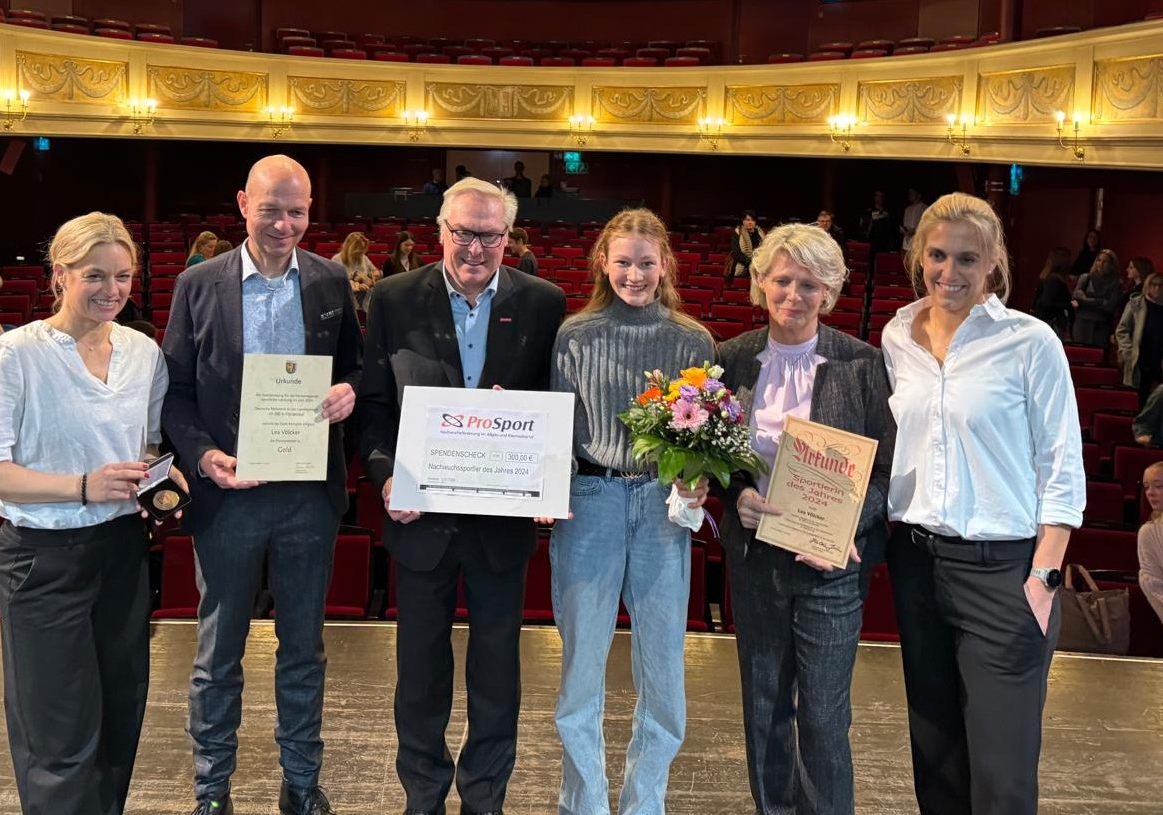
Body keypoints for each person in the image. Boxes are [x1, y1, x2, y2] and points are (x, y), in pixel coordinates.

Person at [0, 211, 175, 815]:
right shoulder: (13, 355)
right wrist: (82, 487)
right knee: (57, 734)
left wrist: (158, 473)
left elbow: (145, 444)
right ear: (60, 275)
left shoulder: (143, 352)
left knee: (119, 718)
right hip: (42, 561)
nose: (111, 290)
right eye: (94, 275)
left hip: (122, 552)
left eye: (122, 276)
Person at [356, 177, 565, 815]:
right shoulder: (394, 297)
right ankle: (422, 798)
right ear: (441, 230)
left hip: (501, 526)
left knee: (497, 676)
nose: (476, 248)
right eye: (464, 233)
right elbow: (374, 406)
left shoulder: (544, 303)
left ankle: (485, 800)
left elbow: (557, 406)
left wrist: (541, 464)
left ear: (510, 237)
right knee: (419, 677)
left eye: (490, 236)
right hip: (421, 520)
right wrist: (386, 477)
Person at [162, 155, 362, 815]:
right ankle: (211, 790)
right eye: (271, 209)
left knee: (303, 650)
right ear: (243, 203)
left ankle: (301, 785)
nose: (284, 224)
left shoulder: (331, 280)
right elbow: (175, 393)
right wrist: (202, 455)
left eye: (296, 212)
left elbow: (358, 369)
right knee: (217, 653)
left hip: (308, 497)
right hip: (228, 496)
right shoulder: (197, 283)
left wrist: (347, 390)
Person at [883, 192, 1085, 814]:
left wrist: (1044, 577)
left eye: (967, 259)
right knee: (937, 759)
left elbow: (1062, 466)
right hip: (917, 565)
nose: (949, 272)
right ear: (919, 256)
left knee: (1003, 775)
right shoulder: (896, 335)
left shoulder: (1031, 341)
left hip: (1005, 572)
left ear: (994, 261)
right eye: (937, 256)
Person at [717, 223, 894, 815]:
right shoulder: (730, 359)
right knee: (764, 706)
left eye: (810, 285)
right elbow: (717, 460)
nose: (793, 295)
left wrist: (846, 529)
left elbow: (888, 472)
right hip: (755, 557)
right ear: (761, 282)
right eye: (783, 280)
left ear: (831, 292)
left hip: (831, 564)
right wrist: (737, 496)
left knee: (823, 713)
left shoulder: (863, 364)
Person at [547, 208, 712, 815]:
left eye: (646, 263)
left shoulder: (693, 340)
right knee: (580, 672)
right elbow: (558, 431)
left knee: (664, 671)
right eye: (623, 262)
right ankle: (584, 804)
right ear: (603, 263)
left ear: (664, 265)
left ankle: (646, 804)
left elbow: (702, 437)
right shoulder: (574, 335)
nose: (634, 275)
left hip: (661, 510)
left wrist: (696, 480)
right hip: (590, 503)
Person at [1116, 270, 1163, 405]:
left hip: (1159, 360)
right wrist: (1128, 351)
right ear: (1147, 285)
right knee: (1136, 400)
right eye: (1154, 285)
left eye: (1160, 285)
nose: (1157, 288)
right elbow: (1122, 330)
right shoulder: (1136, 304)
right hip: (1138, 359)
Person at [1071, 249, 1123, 347]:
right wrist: (1100, 301)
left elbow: (1110, 307)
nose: (1101, 264)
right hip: (1082, 324)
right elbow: (1076, 299)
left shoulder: (1116, 283)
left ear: (1111, 264)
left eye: (1105, 261)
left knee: (1098, 353)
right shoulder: (1086, 278)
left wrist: (1085, 301)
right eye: (1099, 260)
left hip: (1102, 326)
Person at [1138, 462, 1163, 625]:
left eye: (1158, 486)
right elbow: (1153, 585)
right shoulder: (1149, 533)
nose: (1150, 493)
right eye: (1146, 487)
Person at [1031, 247, 1073, 336]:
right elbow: (1047, 303)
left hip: (1045, 323)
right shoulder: (1054, 281)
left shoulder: (1047, 279)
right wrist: (1069, 304)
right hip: (1052, 325)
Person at [334, 231, 380, 311]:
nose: (361, 253)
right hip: (345, 301)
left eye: (363, 249)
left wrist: (375, 274)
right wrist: (356, 285)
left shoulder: (363, 257)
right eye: (359, 250)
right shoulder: (336, 260)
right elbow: (335, 284)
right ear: (350, 248)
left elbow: (374, 271)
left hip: (365, 300)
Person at [726, 210, 765, 279]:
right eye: (748, 220)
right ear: (743, 221)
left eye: (753, 220)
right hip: (741, 266)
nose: (750, 222)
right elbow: (736, 253)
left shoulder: (760, 233)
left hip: (758, 268)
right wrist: (751, 263)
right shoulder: (737, 233)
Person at [900, 188, 927, 252]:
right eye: (909, 193)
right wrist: (903, 230)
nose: (910, 195)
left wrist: (915, 231)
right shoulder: (907, 209)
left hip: (918, 243)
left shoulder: (924, 208)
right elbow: (906, 225)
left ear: (919, 195)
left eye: (912, 193)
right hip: (906, 244)